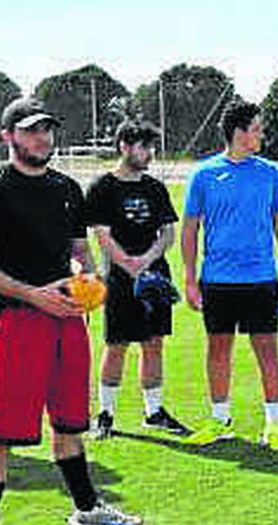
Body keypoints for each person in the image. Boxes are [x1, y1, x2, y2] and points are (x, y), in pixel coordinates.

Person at [0, 97, 143, 525]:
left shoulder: (65, 188)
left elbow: (78, 250)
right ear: (8, 137)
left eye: (47, 129)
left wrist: (87, 276)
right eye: (31, 130)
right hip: (16, 323)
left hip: (66, 320)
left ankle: (86, 509)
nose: (42, 137)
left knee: (68, 423)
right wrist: (33, 295)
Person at [179, 101, 278, 449]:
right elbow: (190, 229)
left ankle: (274, 425)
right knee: (218, 350)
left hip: (261, 278)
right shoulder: (203, 174)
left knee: (267, 351)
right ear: (239, 132)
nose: (261, 133)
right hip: (217, 280)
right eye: (256, 128)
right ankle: (221, 421)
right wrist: (190, 279)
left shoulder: (269, 173)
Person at [84, 119, 189, 439]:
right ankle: (105, 414)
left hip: (155, 274)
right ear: (124, 147)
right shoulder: (103, 186)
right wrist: (130, 266)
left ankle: (154, 411)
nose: (149, 153)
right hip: (118, 278)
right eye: (143, 146)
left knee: (154, 343)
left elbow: (168, 232)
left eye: (151, 146)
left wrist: (147, 260)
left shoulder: (154, 188)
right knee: (116, 345)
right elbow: (102, 235)